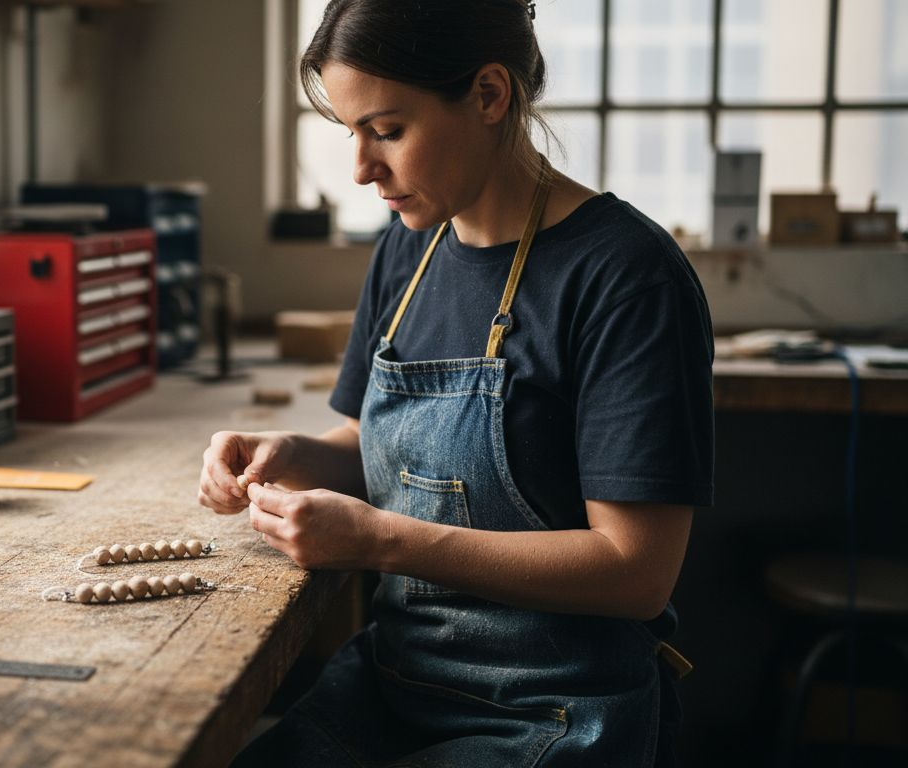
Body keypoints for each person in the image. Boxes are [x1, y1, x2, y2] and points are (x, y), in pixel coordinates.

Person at [196, 0, 714, 765]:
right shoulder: (410, 247)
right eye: (352, 133)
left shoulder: (625, 277)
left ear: (489, 94)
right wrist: (288, 452)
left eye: (388, 130)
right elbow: (364, 444)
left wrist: (381, 541)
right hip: (398, 682)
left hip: (558, 710)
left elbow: (635, 571)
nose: (362, 170)